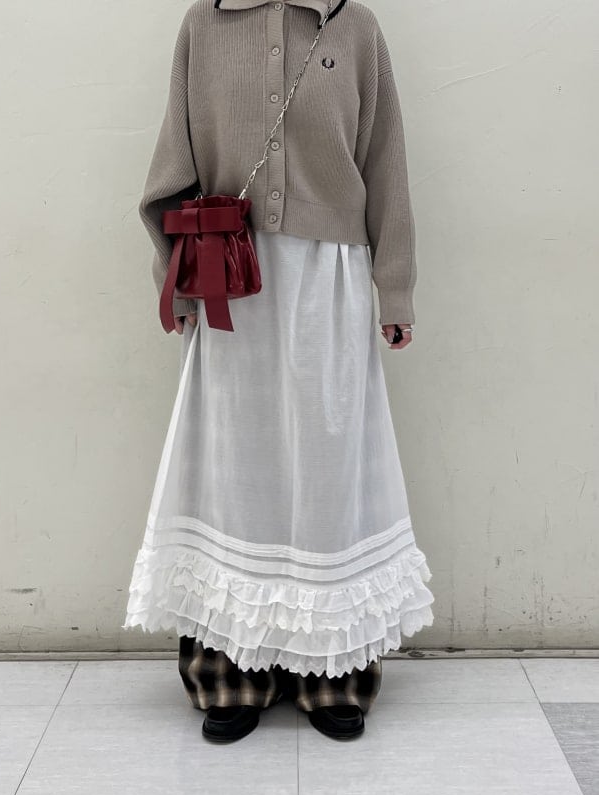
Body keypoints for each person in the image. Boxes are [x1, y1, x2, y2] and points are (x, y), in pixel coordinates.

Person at [122, 0, 435, 743]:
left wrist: (394, 287)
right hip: (232, 277)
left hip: (330, 278)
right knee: (235, 469)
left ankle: (332, 669)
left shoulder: (354, 27)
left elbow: (385, 160)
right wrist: (176, 275)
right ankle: (230, 668)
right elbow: (174, 158)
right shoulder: (205, 24)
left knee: (329, 468)